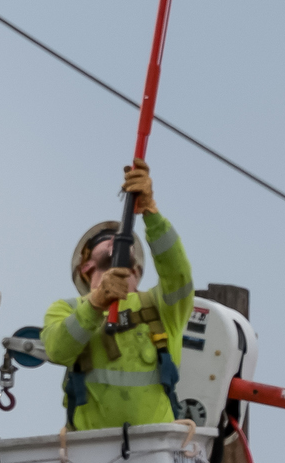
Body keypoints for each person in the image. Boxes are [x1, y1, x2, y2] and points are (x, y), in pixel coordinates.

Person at [41, 161, 196, 432]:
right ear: (85, 267)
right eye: (103, 238)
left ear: (137, 267)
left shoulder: (161, 306)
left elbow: (178, 273)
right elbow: (57, 349)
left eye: (124, 238)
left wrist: (151, 214)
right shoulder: (66, 309)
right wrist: (95, 304)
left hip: (153, 445)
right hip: (92, 448)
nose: (117, 238)